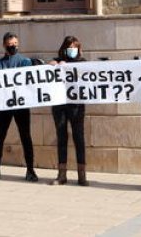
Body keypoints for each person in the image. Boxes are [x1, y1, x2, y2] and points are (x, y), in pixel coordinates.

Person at [0, 32, 39, 182]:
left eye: (15, 44)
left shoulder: (25, 61)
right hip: (4, 105)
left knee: (26, 137)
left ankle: (30, 170)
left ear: (18, 44)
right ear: (4, 45)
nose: (12, 46)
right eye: (10, 44)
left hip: (21, 105)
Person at [49, 35, 88, 186]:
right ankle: (62, 174)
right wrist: (53, 65)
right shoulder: (57, 61)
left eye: (74, 47)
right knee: (61, 137)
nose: (72, 50)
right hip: (59, 105)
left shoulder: (82, 62)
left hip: (76, 106)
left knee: (79, 138)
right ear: (64, 48)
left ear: (78, 48)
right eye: (69, 47)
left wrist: (69, 66)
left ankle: (82, 175)